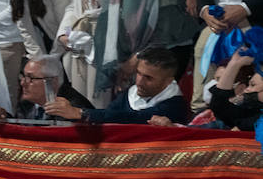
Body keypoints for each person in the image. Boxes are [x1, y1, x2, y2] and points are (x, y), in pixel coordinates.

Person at [46, 46, 190, 124]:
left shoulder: (173, 105)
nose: (139, 81)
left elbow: (131, 118)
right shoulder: (131, 93)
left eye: (148, 78)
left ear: (167, 81)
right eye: (139, 73)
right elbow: (109, 116)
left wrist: (80, 113)